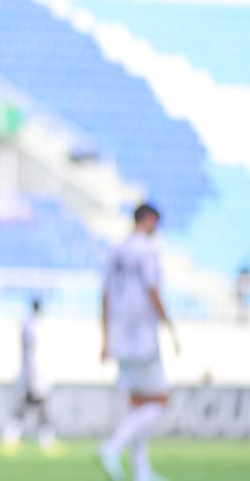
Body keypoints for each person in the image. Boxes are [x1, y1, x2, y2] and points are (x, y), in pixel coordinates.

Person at [99, 203, 178, 481]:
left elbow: (105, 296)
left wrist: (105, 338)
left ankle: (141, 472)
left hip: (120, 337)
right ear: (148, 219)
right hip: (142, 336)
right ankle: (112, 446)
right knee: (160, 401)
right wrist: (169, 325)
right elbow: (152, 289)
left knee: (138, 404)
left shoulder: (115, 249)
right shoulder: (148, 249)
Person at [0, 297, 58, 456]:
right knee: (34, 409)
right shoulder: (33, 326)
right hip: (32, 375)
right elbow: (32, 353)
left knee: (33, 409)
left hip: (32, 374)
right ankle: (16, 439)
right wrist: (33, 376)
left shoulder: (29, 324)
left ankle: (15, 439)